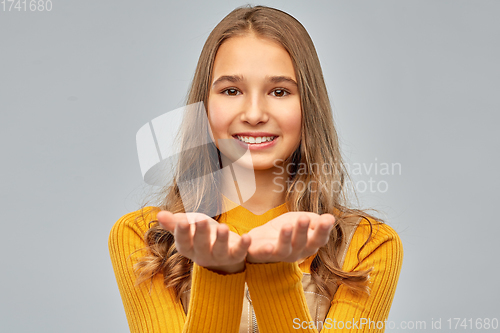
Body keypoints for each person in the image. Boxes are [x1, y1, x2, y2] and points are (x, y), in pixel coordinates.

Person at [108, 4, 403, 333]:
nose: (253, 113)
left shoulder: (369, 245)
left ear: (309, 106)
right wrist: (219, 275)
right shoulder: (144, 239)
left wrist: (272, 271)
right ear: (203, 107)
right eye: (231, 91)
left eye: (279, 91)